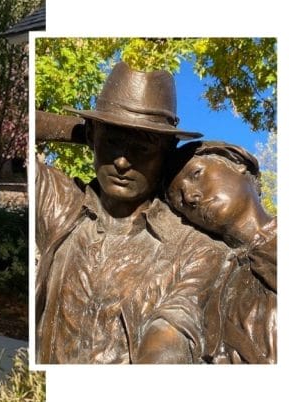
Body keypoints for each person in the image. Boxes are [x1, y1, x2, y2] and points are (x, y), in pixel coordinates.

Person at [34, 61, 235, 364]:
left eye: (143, 147)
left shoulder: (194, 248)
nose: (123, 163)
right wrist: (88, 132)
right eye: (113, 142)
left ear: (166, 153)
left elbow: (177, 325)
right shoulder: (63, 207)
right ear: (92, 137)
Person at [166, 141, 276, 363]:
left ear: (238, 163)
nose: (189, 197)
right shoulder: (211, 279)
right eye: (178, 202)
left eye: (196, 174)